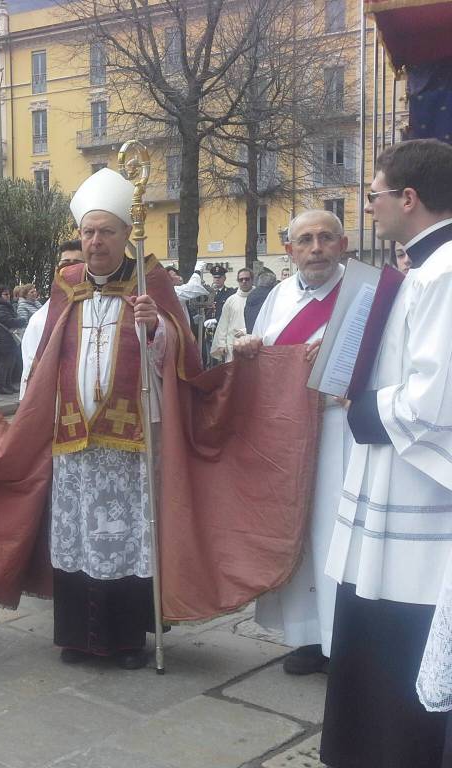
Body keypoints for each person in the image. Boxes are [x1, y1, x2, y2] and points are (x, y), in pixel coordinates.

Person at [20, 168, 197, 669]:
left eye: (106, 232)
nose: (95, 241)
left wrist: (156, 326)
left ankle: (124, 640)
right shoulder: (66, 284)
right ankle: (78, 637)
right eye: (88, 232)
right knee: (77, 533)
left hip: (132, 435)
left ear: (127, 237)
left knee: (123, 532)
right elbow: (47, 351)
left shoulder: (151, 282)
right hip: (73, 436)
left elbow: (181, 352)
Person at [319, 139, 452, 768]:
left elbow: (435, 397)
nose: (369, 205)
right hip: (394, 475)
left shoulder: (446, 270)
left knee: (400, 627)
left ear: (409, 198)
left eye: (373, 193)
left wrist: (366, 408)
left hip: (419, 490)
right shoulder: (424, 270)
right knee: (372, 615)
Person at [234, 210, 350, 676]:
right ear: (290, 249)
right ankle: (306, 637)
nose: (316, 247)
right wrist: (247, 351)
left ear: (342, 245)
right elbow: (264, 352)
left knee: (334, 534)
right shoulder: (278, 295)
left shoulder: (365, 293)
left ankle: (343, 641)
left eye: (326, 238)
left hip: (343, 433)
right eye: (306, 239)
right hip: (289, 434)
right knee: (297, 532)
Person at [209, 267, 254, 363]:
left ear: (252, 280)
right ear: (238, 281)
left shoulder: (258, 298)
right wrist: (221, 344)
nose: (244, 282)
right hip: (232, 344)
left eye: (247, 279)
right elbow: (223, 324)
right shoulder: (231, 300)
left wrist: (247, 330)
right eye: (241, 279)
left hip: (252, 343)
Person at [0, 286, 26, 394]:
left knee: (11, 361)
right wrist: (21, 321)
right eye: (5, 294)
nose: (8, 296)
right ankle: (2, 386)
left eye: (8, 294)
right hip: (3, 337)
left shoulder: (2, 305)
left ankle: (8, 384)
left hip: (8, 337)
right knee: (5, 362)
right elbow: (7, 320)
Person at [243, 267, 277, 333]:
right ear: (273, 283)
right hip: (266, 337)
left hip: (252, 336)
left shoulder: (251, 295)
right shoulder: (272, 296)